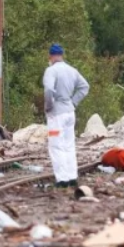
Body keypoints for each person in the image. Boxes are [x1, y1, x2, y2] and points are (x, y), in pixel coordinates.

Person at [43, 43, 89, 193]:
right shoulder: (72, 70)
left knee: (56, 145)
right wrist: (73, 102)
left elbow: (49, 89)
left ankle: (62, 180)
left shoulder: (51, 71)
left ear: (50, 56)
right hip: (70, 113)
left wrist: (49, 106)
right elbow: (84, 87)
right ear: (62, 55)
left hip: (57, 115)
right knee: (69, 145)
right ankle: (72, 177)